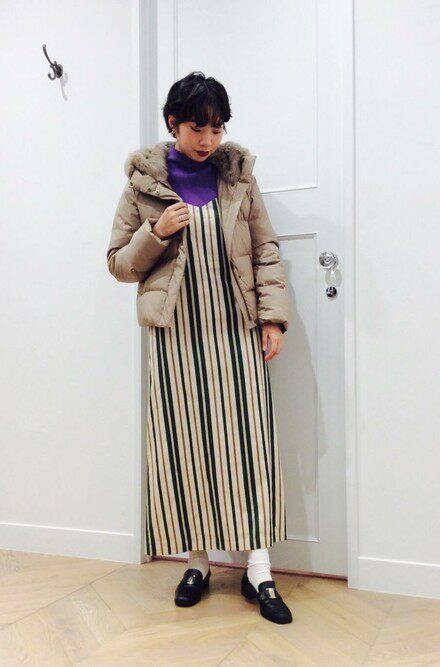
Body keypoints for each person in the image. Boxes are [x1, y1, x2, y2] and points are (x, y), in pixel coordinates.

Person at [107, 71, 292, 624]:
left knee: (249, 444)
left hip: (236, 329)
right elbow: (118, 263)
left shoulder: (239, 178)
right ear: (173, 123)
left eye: (216, 128)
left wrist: (273, 319)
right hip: (177, 336)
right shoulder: (143, 184)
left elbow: (264, 249)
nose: (208, 140)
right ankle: (197, 563)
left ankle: (259, 568)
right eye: (197, 128)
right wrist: (156, 231)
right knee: (184, 445)